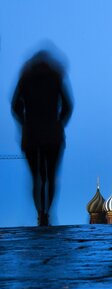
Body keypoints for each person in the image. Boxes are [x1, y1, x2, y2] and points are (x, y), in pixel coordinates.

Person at [11, 50, 73, 226]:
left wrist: (24, 123)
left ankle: (40, 213)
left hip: (31, 134)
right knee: (51, 177)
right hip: (52, 134)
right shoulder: (55, 78)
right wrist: (59, 123)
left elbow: (15, 105)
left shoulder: (26, 78)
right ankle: (48, 211)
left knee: (36, 177)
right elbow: (68, 105)